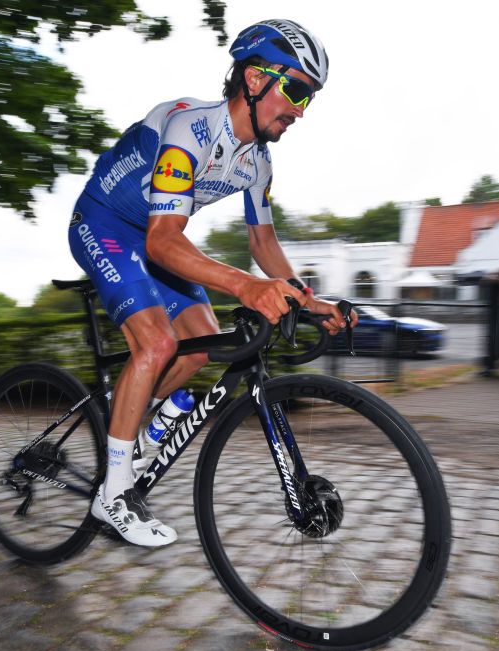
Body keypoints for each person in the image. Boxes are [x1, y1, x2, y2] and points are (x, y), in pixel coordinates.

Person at [67, 19, 355, 547]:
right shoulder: (189, 130)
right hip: (107, 225)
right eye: (294, 90)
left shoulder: (259, 164)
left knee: (200, 346)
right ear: (252, 79)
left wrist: (311, 303)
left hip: (160, 235)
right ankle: (112, 494)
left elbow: (263, 247)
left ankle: (138, 423)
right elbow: (161, 243)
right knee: (158, 342)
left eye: (308, 98)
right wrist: (246, 288)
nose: (298, 110)